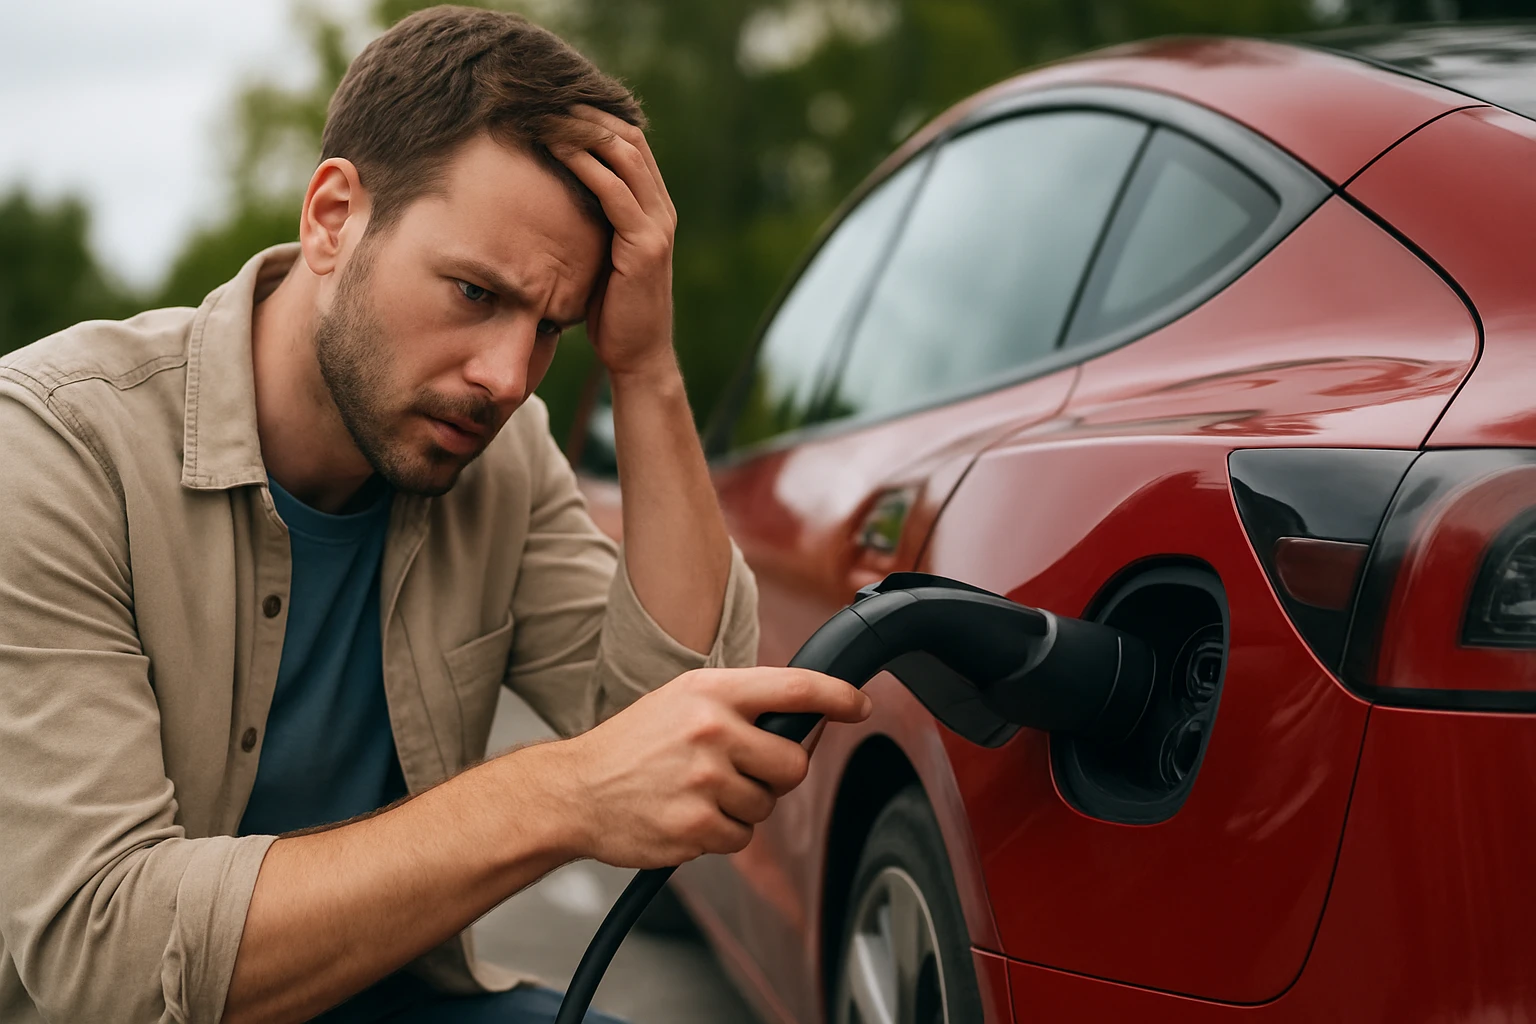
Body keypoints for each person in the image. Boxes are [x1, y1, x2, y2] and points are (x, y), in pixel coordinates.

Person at [0, 7, 872, 1024]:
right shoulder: (54, 447)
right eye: (473, 292)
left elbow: (675, 732)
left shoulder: (501, 456)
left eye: (550, 327)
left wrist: (645, 370)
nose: (507, 377)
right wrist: (556, 795)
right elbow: (106, 957)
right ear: (332, 217)